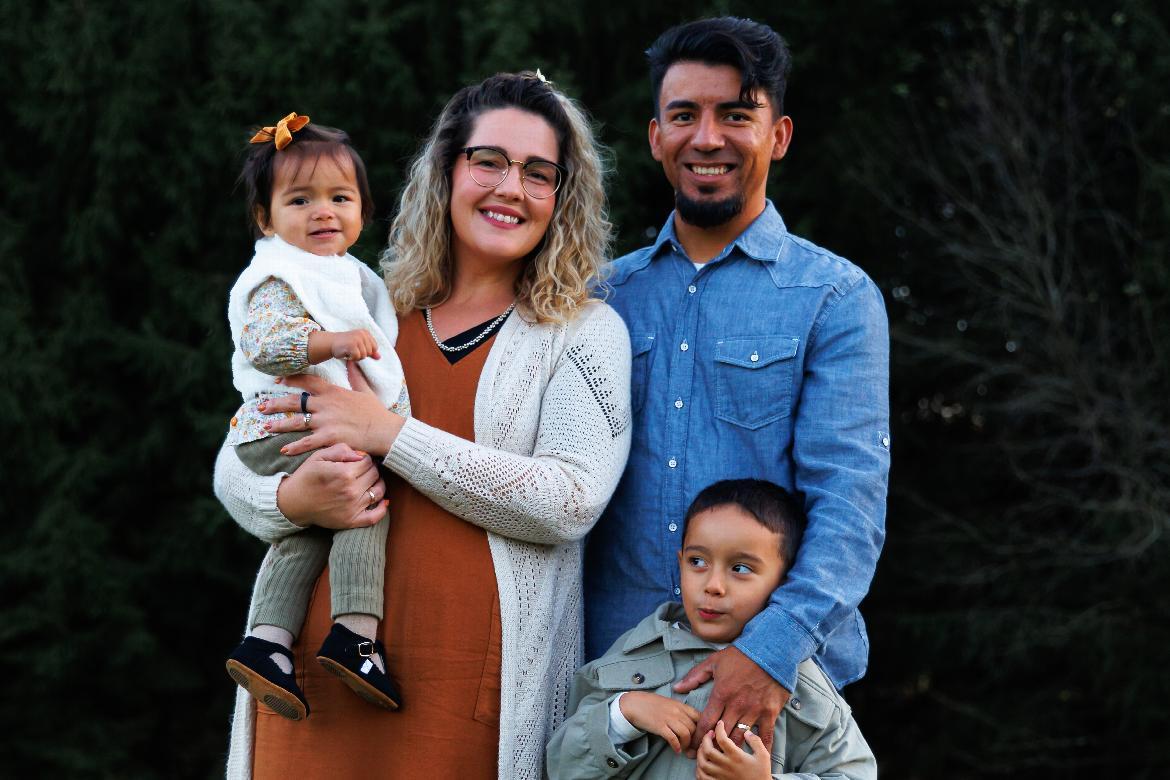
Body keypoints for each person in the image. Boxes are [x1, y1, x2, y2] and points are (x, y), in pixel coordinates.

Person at [213, 71, 631, 779]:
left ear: (563, 196)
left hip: (473, 709)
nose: (510, 188)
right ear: (445, 172)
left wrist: (388, 435)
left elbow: (569, 500)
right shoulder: (364, 309)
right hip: (309, 696)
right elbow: (237, 457)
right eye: (488, 162)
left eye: (538, 173)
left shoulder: (582, 332)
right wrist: (293, 499)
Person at [586, 16, 891, 757]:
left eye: (735, 115)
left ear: (778, 136)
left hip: (777, 691)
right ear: (655, 136)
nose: (707, 138)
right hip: (614, 684)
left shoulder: (834, 297)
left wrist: (772, 650)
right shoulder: (599, 298)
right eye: (684, 115)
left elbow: (849, 504)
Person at [223, 113, 409, 722]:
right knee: (362, 501)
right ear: (265, 218)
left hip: (298, 427)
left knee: (309, 527)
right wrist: (332, 343)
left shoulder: (352, 276)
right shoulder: (279, 275)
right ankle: (356, 637)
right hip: (281, 424)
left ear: (363, 210)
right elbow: (266, 343)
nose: (323, 212)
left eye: (340, 198)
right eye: (300, 200)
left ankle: (266, 643)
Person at [548, 480, 876, 779]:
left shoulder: (803, 685)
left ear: (785, 582)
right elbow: (560, 767)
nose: (713, 585)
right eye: (698, 562)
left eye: (740, 568)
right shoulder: (631, 655)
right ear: (680, 562)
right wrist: (623, 715)